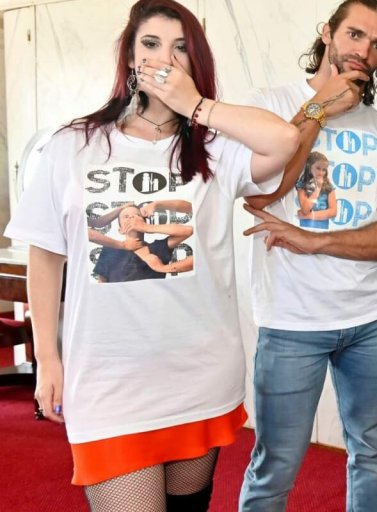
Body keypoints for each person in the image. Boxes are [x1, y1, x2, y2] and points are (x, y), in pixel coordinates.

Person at [3, 0, 299, 510]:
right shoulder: (74, 144)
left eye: (181, 47)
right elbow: (46, 254)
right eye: (151, 44)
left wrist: (197, 106)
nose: (165, 58)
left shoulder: (214, 148)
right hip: (109, 381)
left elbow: (286, 139)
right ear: (130, 56)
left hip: (197, 373)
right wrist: (48, 360)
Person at [237, 1, 377, 511]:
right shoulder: (271, 105)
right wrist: (318, 111)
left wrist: (316, 241)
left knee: (372, 453)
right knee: (276, 463)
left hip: (371, 319)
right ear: (328, 32)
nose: (365, 51)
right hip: (291, 321)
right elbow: (261, 193)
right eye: (355, 35)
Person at [295, 151, 338, 229]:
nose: (321, 173)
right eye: (318, 168)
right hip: (305, 227)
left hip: (322, 228)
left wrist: (309, 216)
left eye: (324, 170)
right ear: (309, 167)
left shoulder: (329, 187)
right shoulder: (302, 185)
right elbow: (305, 210)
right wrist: (317, 188)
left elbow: (333, 212)